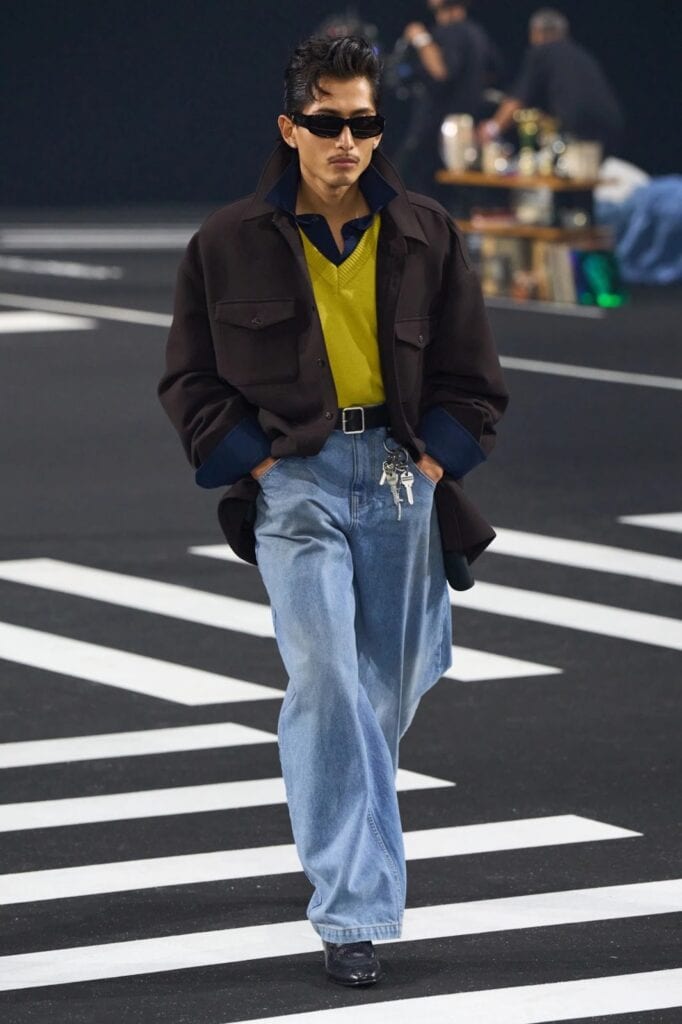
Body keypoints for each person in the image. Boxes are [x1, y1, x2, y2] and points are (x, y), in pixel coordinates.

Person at [158, 34, 508, 987]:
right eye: (327, 123)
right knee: (325, 677)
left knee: (386, 685)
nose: (347, 140)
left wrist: (432, 464)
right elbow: (189, 377)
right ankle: (353, 909)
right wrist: (262, 465)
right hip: (297, 479)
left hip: (399, 474)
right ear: (291, 128)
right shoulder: (227, 242)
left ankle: (337, 826)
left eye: (363, 122)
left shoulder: (426, 231)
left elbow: (473, 371)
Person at [392, 0, 503, 197]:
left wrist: (421, 39)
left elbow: (441, 71)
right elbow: (494, 73)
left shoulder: (452, 31)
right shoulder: (478, 34)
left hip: (437, 136)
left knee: (400, 189)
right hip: (467, 131)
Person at [480, 8, 624, 156]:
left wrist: (492, 128)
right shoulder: (582, 55)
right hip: (611, 128)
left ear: (536, 33)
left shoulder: (542, 51)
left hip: (577, 129)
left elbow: (517, 100)